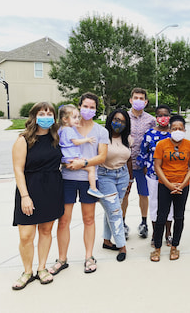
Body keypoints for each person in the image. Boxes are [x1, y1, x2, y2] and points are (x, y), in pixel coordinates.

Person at [50, 92, 109, 275]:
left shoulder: (101, 131)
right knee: (63, 220)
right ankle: (61, 259)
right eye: (85, 106)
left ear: (96, 110)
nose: (88, 110)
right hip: (67, 179)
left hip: (87, 180)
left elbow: (102, 157)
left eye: (92, 107)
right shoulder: (64, 128)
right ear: (79, 106)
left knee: (89, 219)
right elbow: (55, 152)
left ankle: (89, 256)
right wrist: (66, 163)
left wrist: (82, 163)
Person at [11, 102, 64, 290]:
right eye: (42, 113)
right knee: (26, 235)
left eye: (50, 113)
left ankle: (42, 268)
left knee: (46, 231)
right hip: (30, 189)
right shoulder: (23, 139)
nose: (46, 116)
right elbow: (18, 169)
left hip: (52, 189)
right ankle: (27, 271)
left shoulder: (56, 138)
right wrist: (25, 196)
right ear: (34, 116)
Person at [150, 115, 190, 262]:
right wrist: (169, 185)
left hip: (183, 185)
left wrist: (182, 184)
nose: (177, 131)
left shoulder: (189, 145)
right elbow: (157, 166)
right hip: (165, 185)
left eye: (180, 128)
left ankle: (174, 246)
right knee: (161, 216)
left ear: (185, 130)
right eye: (174, 128)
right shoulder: (162, 145)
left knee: (179, 216)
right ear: (169, 129)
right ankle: (157, 248)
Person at [97, 109, 132, 262]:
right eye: (116, 119)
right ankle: (121, 245)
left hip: (122, 176)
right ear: (110, 119)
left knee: (112, 209)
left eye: (123, 121)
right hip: (105, 176)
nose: (119, 123)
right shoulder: (103, 136)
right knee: (115, 211)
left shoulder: (128, 139)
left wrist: (130, 179)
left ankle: (106, 240)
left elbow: (129, 159)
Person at [137, 104, 173, 247]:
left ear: (169, 116)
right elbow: (143, 153)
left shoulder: (174, 133)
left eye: (165, 115)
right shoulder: (150, 134)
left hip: (171, 177)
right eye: (159, 115)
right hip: (153, 176)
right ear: (156, 117)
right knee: (155, 205)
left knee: (169, 206)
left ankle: (168, 233)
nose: (162, 118)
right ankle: (155, 234)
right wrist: (145, 168)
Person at [122, 88, 156, 239]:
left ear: (146, 102)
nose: (138, 100)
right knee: (124, 194)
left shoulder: (151, 120)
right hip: (125, 163)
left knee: (144, 194)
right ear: (130, 100)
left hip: (143, 165)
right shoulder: (123, 117)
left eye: (141, 98)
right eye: (136, 97)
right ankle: (122, 223)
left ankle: (144, 223)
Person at [58, 104, 111, 199]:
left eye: (77, 117)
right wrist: (86, 139)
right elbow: (76, 142)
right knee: (91, 169)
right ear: (65, 119)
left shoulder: (60, 129)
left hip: (67, 158)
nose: (77, 120)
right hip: (71, 158)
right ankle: (93, 188)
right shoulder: (69, 130)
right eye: (74, 117)